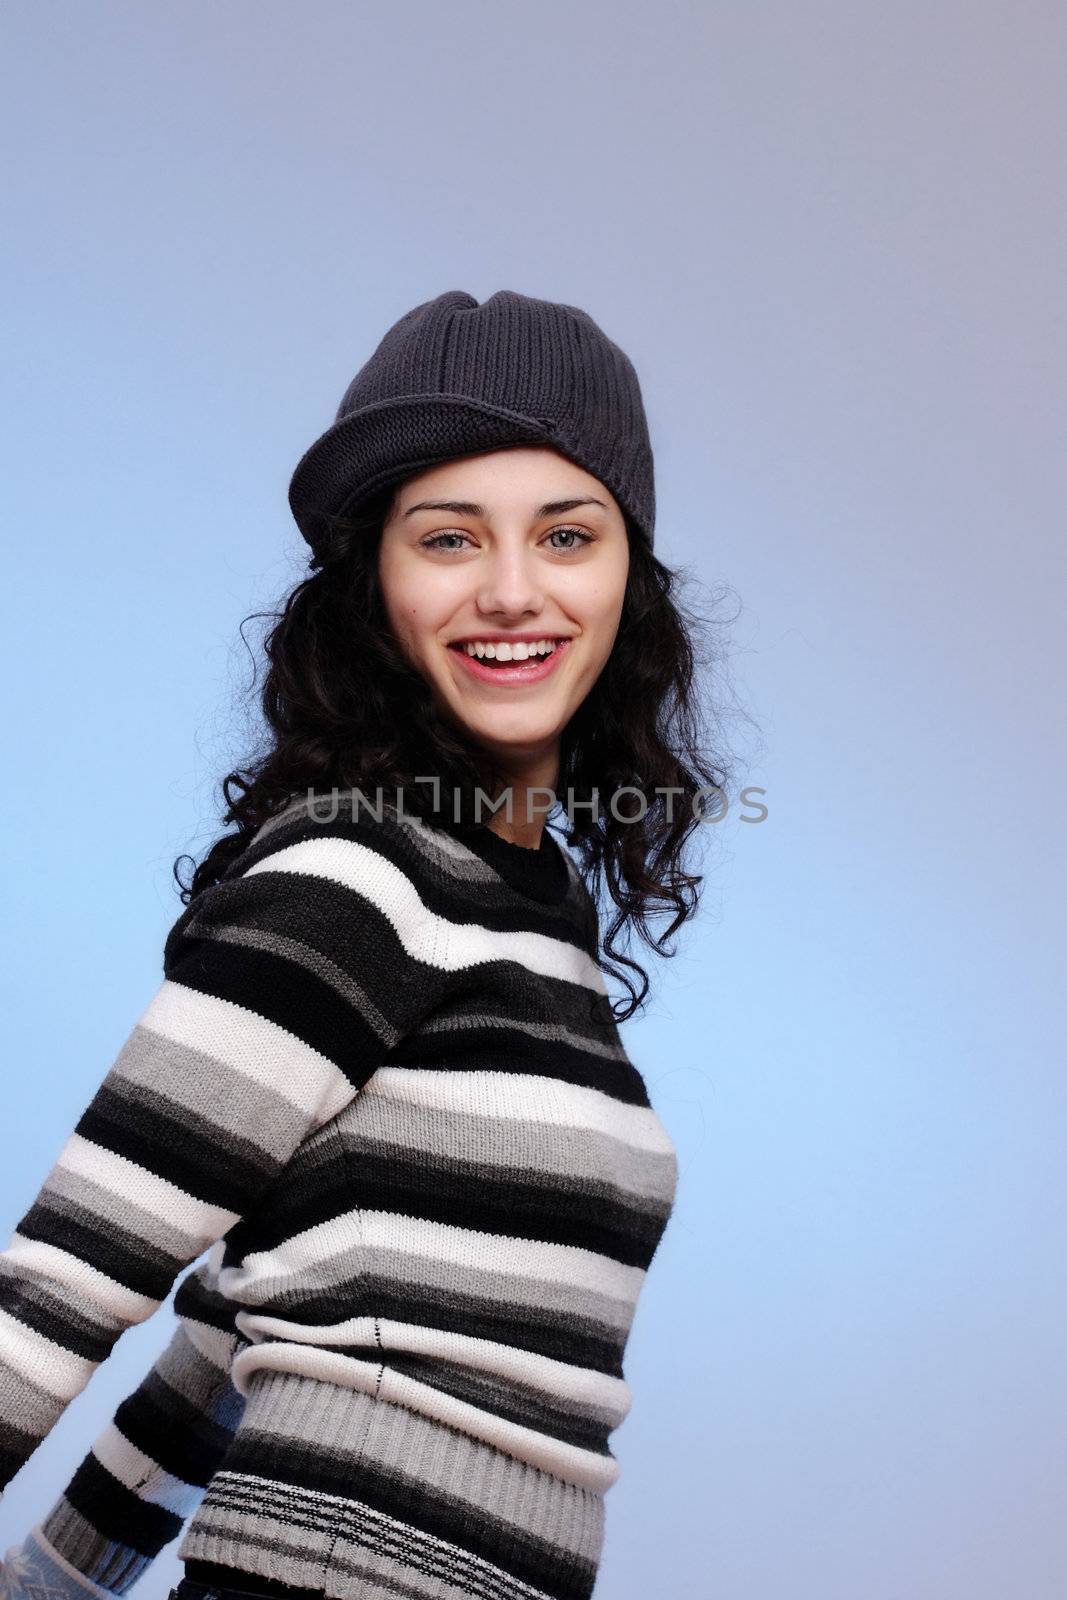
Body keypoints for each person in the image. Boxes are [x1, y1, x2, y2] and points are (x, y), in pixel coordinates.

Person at [0, 290, 730, 1600]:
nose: (515, 589)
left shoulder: (529, 912)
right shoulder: (357, 875)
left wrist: (58, 1577)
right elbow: (62, 1283)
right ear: (374, 584)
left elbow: (237, 1320)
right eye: (449, 537)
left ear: (630, 571)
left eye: (568, 533)